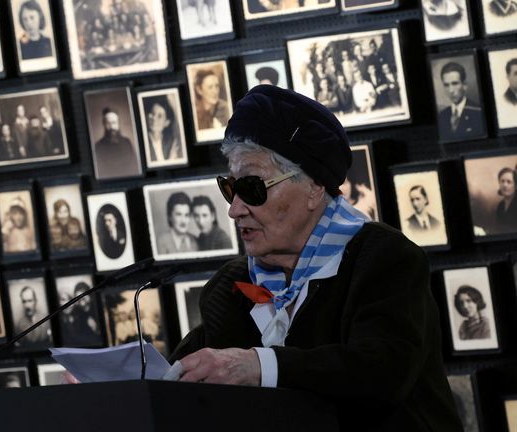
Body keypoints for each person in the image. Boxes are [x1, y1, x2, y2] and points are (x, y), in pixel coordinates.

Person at [164, 85, 459, 430]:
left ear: (315, 188)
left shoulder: (384, 257)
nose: (234, 210)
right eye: (230, 189)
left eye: (252, 188)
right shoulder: (231, 284)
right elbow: (185, 377)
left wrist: (261, 365)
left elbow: (382, 372)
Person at [437, 62, 484, 141]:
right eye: (446, 85)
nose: (451, 90)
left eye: (455, 83)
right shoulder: (441, 116)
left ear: (464, 85)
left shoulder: (478, 112)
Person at [93, 108, 139, 179]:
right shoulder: (98, 146)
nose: (111, 127)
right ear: (104, 124)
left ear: (118, 124)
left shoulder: (127, 142)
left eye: (114, 122)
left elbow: (135, 166)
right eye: (108, 123)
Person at [144, 95, 182, 164]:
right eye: (152, 113)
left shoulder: (170, 142)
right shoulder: (144, 141)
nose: (154, 118)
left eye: (159, 116)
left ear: (167, 123)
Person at [61, 282, 101, 346]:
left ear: (90, 296)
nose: (82, 304)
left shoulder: (99, 307)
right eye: (79, 300)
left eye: (84, 298)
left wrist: (97, 330)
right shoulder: (77, 312)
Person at [495, 167, 517, 233]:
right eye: (502, 181)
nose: (505, 185)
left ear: (516, 185)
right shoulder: (500, 206)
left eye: (509, 182)